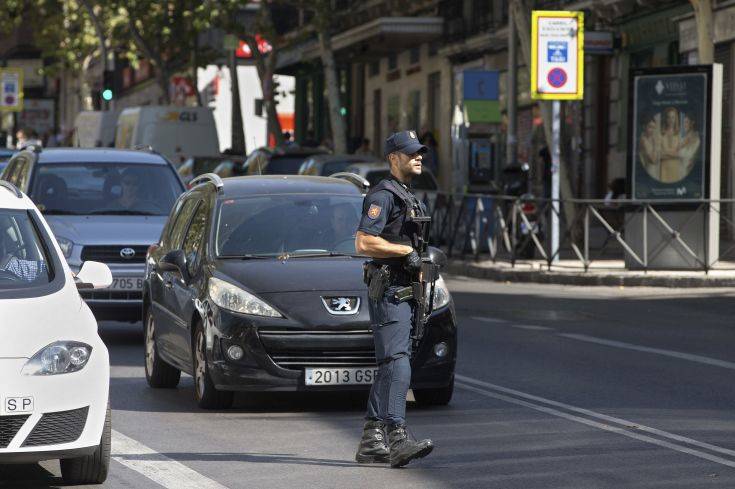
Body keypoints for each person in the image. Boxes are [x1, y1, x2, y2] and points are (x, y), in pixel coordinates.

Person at [354, 130, 434, 468]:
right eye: (410, 152)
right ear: (393, 158)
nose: (418, 157)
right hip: (389, 291)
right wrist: (404, 251)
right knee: (397, 360)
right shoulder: (383, 195)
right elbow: (363, 242)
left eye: (420, 153)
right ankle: (397, 435)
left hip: (405, 291)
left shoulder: (408, 195)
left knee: (392, 362)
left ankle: (372, 439)